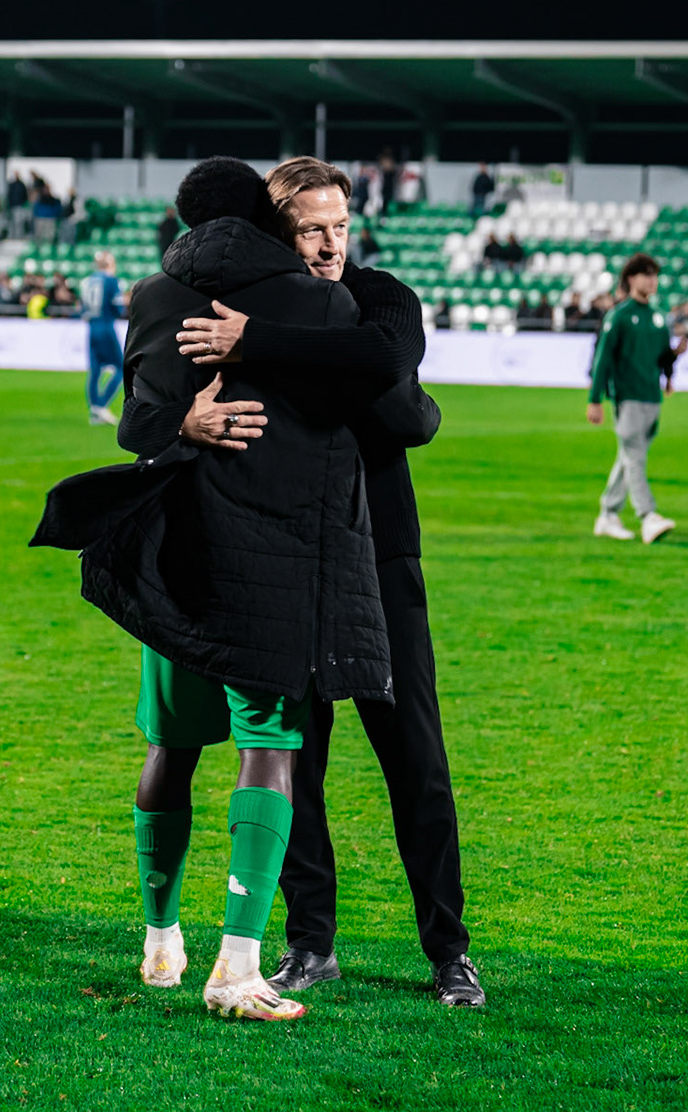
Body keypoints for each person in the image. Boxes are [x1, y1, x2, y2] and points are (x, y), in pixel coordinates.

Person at [32, 156, 390, 1025]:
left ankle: (160, 938)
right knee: (267, 747)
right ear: (269, 219)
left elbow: (136, 426)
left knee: (171, 745)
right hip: (270, 561)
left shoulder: (156, 296)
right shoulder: (318, 303)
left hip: (177, 555)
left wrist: (185, 421)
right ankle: (236, 966)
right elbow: (392, 401)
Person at [161, 156, 481, 1009]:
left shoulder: (381, 294)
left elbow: (392, 365)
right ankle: (311, 945)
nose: (331, 241)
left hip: (382, 557)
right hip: (292, 556)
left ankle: (450, 952)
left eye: (339, 224)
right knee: (295, 759)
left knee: (415, 756)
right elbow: (397, 402)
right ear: (279, 229)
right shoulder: (257, 300)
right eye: (311, 226)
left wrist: (263, 347)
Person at [588, 254, 688, 544]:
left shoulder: (657, 316)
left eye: (655, 275)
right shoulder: (619, 316)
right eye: (647, 275)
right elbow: (602, 359)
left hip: (651, 394)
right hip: (628, 395)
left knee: (629, 456)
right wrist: (595, 399)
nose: (652, 280)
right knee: (635, 455)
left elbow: (660, 355)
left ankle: (607, 514)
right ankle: (648, 516)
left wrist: (672, 363)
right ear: (631, 279)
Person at [81, 251, 126, 425]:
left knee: (95, 369)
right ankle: (101, 406)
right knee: (121, 368)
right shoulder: (111, 280)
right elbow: (118, 308)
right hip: (106, 326)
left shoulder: (87, 281)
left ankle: (94, 410)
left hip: (92, 326)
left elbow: (82, 308)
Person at [5, 172, 30, 238]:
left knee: (18, 223)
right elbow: (8, 196)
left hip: (19, 206)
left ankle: (19, 236)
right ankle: (11, 236)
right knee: (11, 223)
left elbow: (25, 195)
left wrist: (23, 203)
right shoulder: (11, 185)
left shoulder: (21, 185)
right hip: (12, 206)